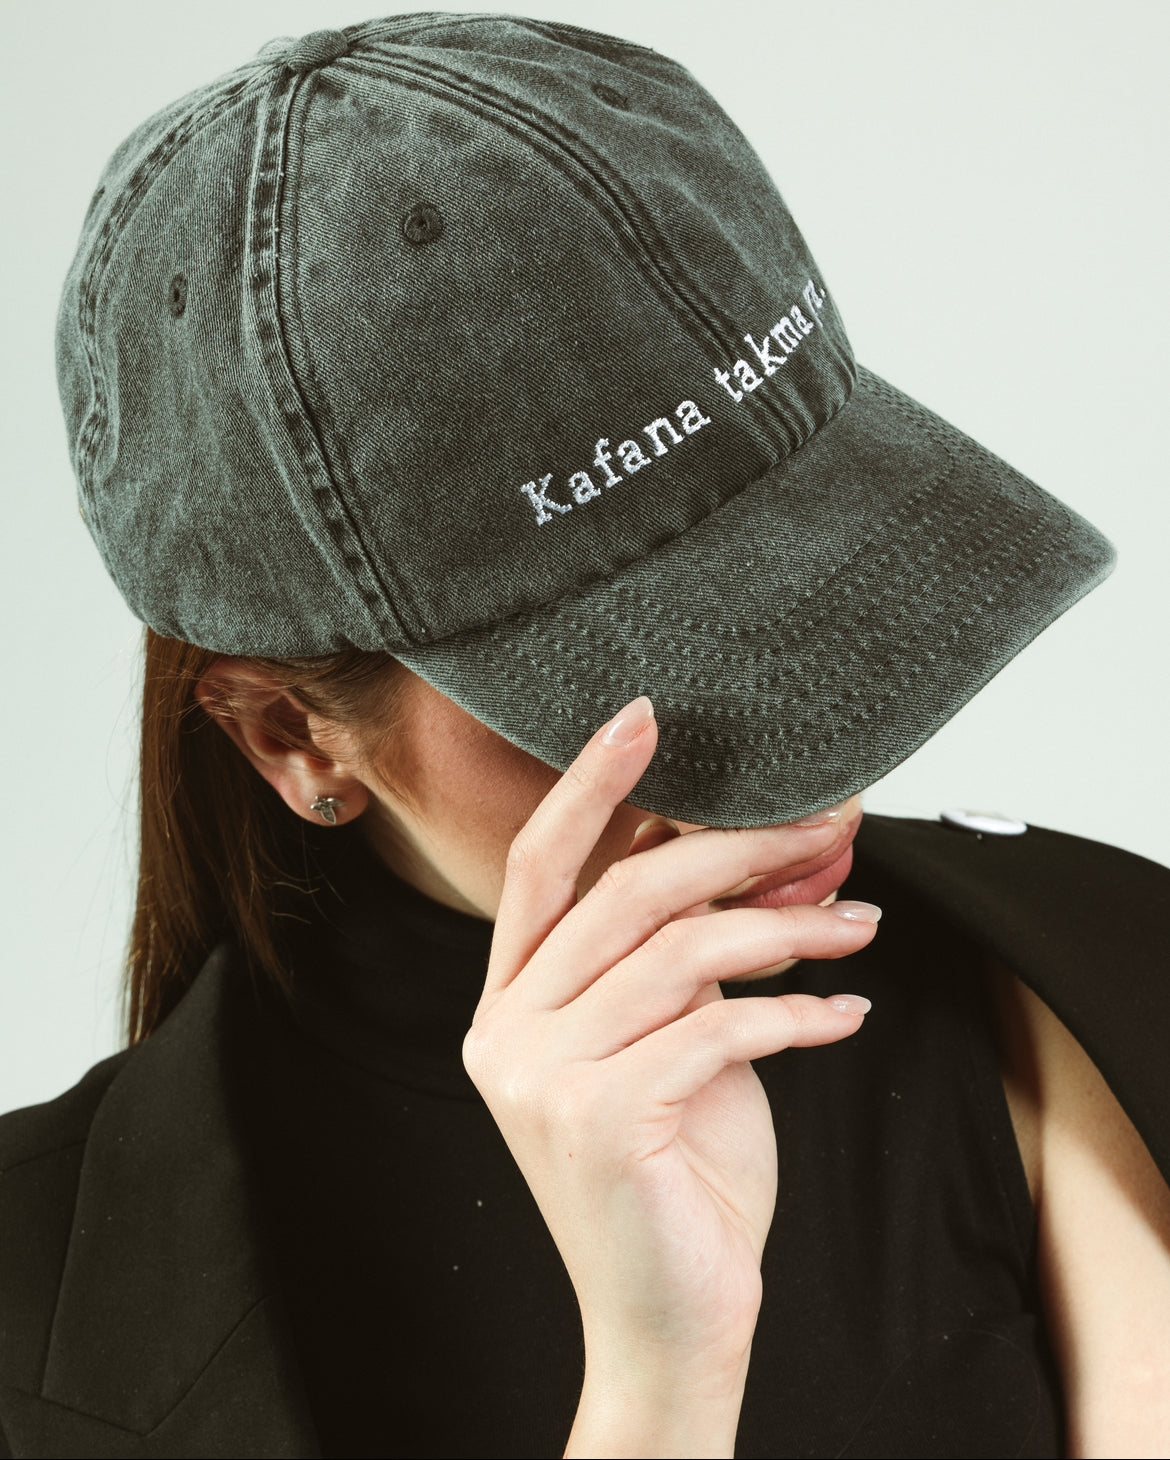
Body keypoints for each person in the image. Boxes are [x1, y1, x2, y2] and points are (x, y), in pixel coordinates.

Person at [2, 13, 1168, 1459]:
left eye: (815, 587)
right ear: (293, 736)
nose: (799, 750)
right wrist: (661, 1380)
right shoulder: (43, 1307)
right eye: (628, 682)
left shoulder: (1088, 993)